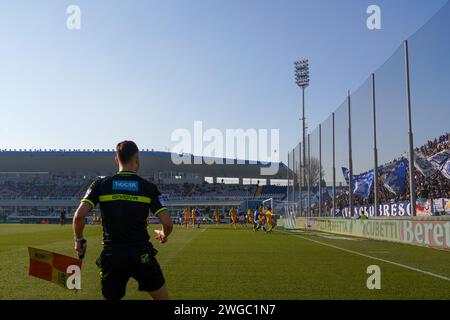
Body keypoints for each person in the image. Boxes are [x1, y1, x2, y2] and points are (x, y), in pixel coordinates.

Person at [72, 140, 173, 300]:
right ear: (137, 160)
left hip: (113, 255)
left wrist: (79, 239)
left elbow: (79, 217)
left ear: (116, 159)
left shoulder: (100, 185)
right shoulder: (148, 187)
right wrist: (163, 234)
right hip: (141, 253)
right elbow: (167, 223)